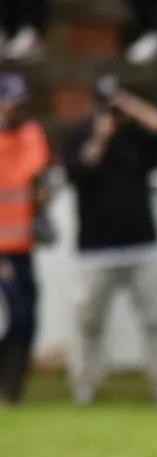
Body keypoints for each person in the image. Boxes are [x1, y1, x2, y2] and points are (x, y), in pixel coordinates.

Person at [61, 76, 157, 406]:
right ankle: (84, 384)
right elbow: (76, 173)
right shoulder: (80, 136)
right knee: (88, 322)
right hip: (97, 251)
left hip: (143, 246)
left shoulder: (137, 137)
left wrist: (133, 107)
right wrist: (100, 138)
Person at [0, 73, 50, 407]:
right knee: (14, 317)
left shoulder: (32, 134)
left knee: (28, 319)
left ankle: (13, 389)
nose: (17, 108)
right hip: (2, 252)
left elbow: (38, 178)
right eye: (11, 101)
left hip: (24, 248)